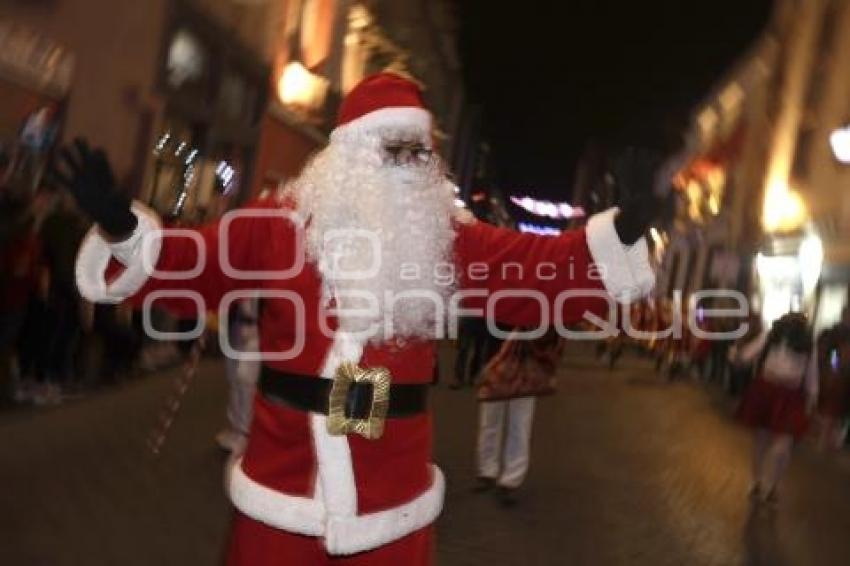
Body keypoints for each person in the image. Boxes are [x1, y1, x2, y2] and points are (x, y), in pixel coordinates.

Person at [61, 73, 659, 565]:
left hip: (390, 501)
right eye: (392, 148)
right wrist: (123, 229)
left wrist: (621, 233)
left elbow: (536, 269)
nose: (410, 165)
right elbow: (195, 264)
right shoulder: (280, 221)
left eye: (419, 151)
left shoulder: (444, 240)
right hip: (281, 490)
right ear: (347, 153)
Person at [736, 312, 818, 506]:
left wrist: (812, 396)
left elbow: (811, 371)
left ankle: (772, 485)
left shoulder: (806, 343)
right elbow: (751, 352)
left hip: (789, 394)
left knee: (782, 445)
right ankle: (757, 482)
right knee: (762, 441)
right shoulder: (773, 335)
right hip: (768, 388)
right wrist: (741, 357)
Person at [475, 328, 563, 506]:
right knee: (491, 421)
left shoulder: (536, 311)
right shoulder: (496, 305)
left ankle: (509, 478)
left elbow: (550, 341)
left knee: (518, 423)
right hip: (496, 364)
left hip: (523, 369)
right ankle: (488, 470)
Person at [217, 297, 261, 454]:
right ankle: (236, 427)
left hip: (257, 327)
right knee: (234, 377)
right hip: (235, 323)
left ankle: (246, 432)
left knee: (246, 380)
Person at [815, 307, 850, 450]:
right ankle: (826, 437)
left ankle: (832, 438)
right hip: (836, 377)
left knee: (838, 411)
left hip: (842, 377)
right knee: (831, 410)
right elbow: (830, 354)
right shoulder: (834, 333)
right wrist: (834, 369)